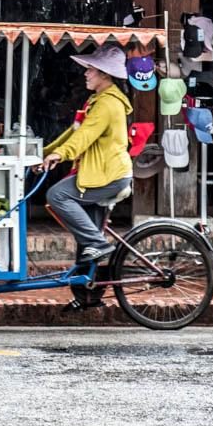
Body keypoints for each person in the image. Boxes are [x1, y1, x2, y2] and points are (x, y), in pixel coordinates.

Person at [40, 44, 133, 267]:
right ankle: (86, 295)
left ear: (104, 73)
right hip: (100, 173)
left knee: (57, 195)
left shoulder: (108, 104)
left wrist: (60, 155)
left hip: (109, 175)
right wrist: (46, 153)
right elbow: (74, 132)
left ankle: (99, 244)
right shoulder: (97, 100)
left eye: (90, 69)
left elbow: (85, 136)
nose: (85, 73)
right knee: (86, 241)